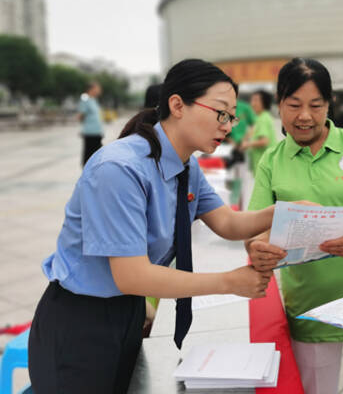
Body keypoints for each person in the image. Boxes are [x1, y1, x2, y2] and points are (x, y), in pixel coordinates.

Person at [29, 59, 277, 394]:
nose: (228, 125)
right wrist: (229, 282)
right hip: (81, 323)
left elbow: (229, 222)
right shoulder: (119, 169)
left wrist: (282, 211)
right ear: (177, 105)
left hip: (128, 310)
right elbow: (132, 275)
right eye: (221, 113)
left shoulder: (186, 165)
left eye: (231, 116)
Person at [245, 58, 343, 394]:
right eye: (294, 105)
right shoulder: (272, 161)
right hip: (311, 306)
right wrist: (258, 248)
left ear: (329, 104)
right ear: (279, 106)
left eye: (315, 105)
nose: (304, 116)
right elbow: (254, 228)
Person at [241, 89, 277, 174]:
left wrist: (247, 144)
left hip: (265, 166)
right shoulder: (262, 117)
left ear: (264, 102)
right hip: (266, 165)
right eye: (252, 100)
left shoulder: (263, 119)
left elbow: (264, 141)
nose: (252, 104)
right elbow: (253, 132)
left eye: (255, 100)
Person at [78, 81, 104, 165]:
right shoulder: (85, 99)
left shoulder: (94, 100)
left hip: (97, 132)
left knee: (97, 154)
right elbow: (80, 115)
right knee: (89, 155)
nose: (99, 90)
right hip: (90, 133)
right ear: (91, 89)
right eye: (98, 88)